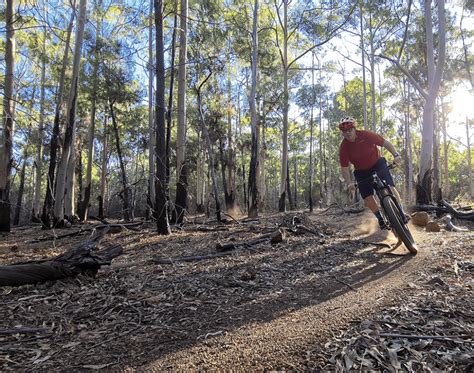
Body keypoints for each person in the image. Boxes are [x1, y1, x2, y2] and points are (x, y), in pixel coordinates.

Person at [338, 116, 406, 229]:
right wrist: (349, 183)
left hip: (377, 163)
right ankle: (380, 218)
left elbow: (385, 143)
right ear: (342, 133)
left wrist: (396, 155)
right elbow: (344, 168)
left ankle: (401, 211)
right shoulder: (344, 147)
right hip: (361, 171)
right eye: (345, 132)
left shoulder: (366, 135)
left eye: (350, 130)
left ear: (354, 129)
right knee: (367, 196)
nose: (348, 133)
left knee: (391, 187)